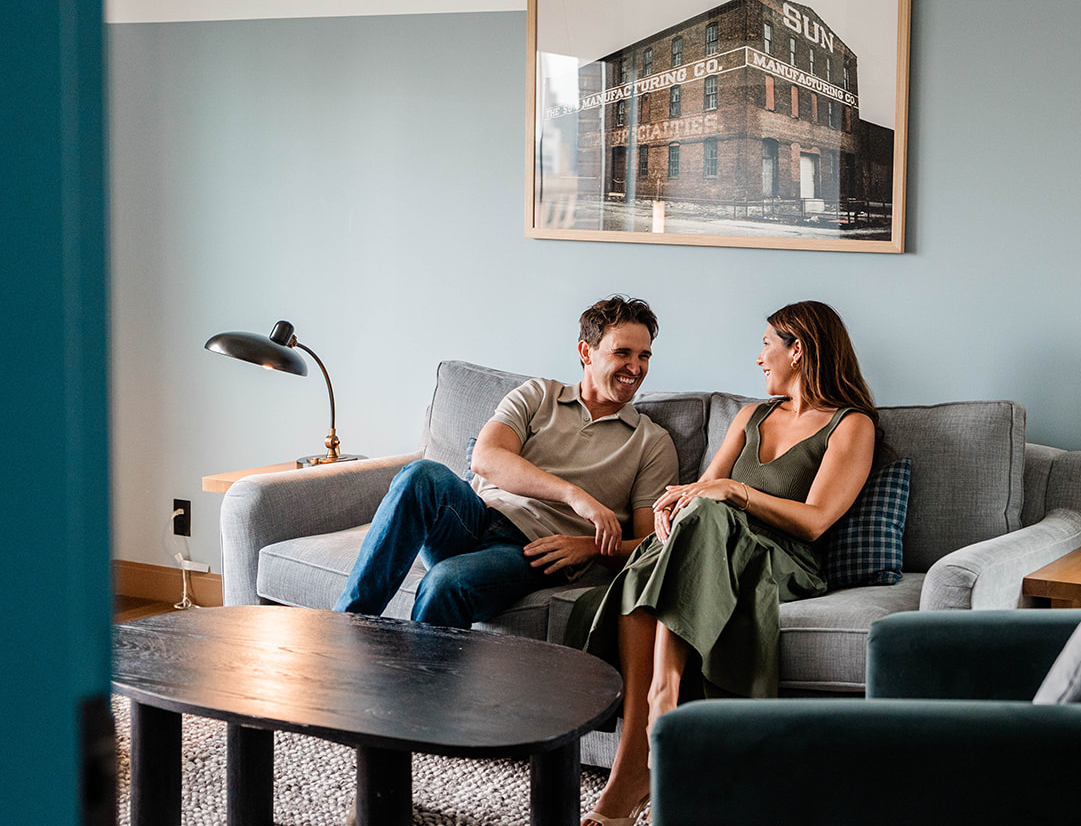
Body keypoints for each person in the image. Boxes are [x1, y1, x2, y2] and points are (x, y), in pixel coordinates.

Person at [572, 301, 880, 826]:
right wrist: (676, 506)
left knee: (708, 519)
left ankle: (661, 698)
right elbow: (700, 494)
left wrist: (733, 492)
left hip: (779, 560)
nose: (759, 358)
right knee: (678, 535)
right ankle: (639, 751)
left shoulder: (850, 426)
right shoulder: (751, 416)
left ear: (798, 350)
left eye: (767, 344)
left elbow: (814, 522)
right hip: (707, 545)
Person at [333, 295, 679, 629]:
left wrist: (588, 548)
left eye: (644, 356)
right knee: (421, 475)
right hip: (474, 517)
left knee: (446, 582)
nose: (635, 368)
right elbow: (486, 458)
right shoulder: (538, 395)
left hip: (533, 551)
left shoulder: (651, 442)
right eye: (623, 353)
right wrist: (575, 496)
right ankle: (343, 632)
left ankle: (418, 688)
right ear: (586, 352)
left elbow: (651, 544)